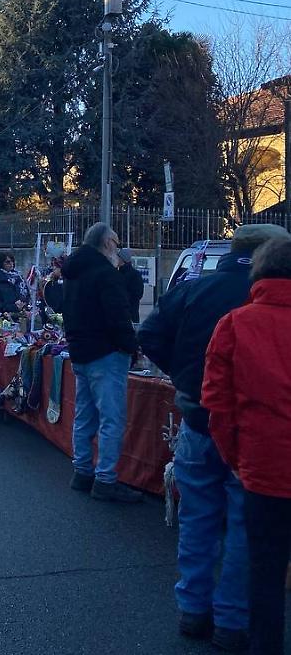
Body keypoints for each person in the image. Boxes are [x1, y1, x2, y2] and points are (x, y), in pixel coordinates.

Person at [139, 224, 289, 649]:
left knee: (198, 517)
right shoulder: (260, 300)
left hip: (199, 420)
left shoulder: (194, 289)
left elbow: (148, 335)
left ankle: (193, 610)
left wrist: (183, 376)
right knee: (242, 524)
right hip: (255, 433)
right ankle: (231, 618)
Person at [203, 235, 291, 655]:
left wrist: (235, 459)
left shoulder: (236, 324)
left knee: (267, 572)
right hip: (263, 465)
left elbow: (217, 405)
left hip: (264, 468)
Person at [61, 222, 140, 503]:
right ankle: (106, 479)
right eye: (116, 243)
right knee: (111, 419)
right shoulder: (107, 275)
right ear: (107, 244)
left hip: (81, 351)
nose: (117, 249)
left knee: (85, 414)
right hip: (106, 354)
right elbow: (118, 317)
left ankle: (82, 471)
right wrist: (132, 347)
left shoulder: (73, 273)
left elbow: (66, 310)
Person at [116, 248, 146, 324]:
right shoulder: (117, 273)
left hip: (130, 314)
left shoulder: (134, 275)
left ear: (122, 259)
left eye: (118, 257)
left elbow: (138, 294)